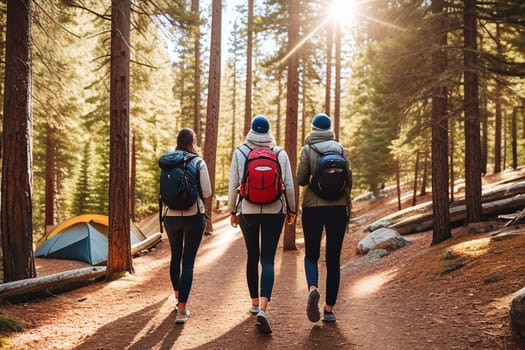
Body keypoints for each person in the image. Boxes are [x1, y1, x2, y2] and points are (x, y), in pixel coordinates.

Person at [228, 115, 296, 334]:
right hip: (274, 210)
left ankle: (254, 303)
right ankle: (264, 310)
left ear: (251, 131)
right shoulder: (279, 153)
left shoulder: (240, 152)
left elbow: (233, 185)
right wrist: (292, 209)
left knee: (252, 256)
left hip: (247, 210)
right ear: (268, 131)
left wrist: (232, 210)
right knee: (268, 259)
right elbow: (289, 185)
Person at [296, 113, 352, 323]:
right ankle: (328, 310)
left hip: (313, 208)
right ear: (330, 129)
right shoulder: (340, 149)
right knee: (333, 259)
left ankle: (312, 288)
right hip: (338, 209)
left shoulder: (308, 149)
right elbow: (349, 179)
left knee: (311, 255)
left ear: (313, 129)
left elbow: (301, 180)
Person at [162, 128, 212, 324]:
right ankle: (182, 310)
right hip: (193, 216)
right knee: (188, 261)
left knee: (176, 256)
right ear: (192, 142)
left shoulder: (167, 162)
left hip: (171, 217)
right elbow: (206, 192)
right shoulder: (197, 161)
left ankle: (176, 297)